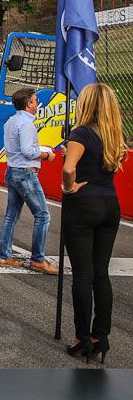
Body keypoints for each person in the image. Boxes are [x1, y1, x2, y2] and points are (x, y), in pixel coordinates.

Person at [61, 83, 125, 363]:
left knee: (83, 275)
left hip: (83, 204)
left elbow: (68, 168)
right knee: (102, 273)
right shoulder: (115, 135)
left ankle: (82, 338)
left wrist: (68, 187)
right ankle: (101, 335)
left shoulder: (81, 132)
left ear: (85, 104)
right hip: (110, 205)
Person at [0, 88, 58, 274]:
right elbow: (28, 151)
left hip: (12, 170)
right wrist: (47, 155)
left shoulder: (10, 121)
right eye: (35, 101)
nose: (37, 103)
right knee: (42, 216)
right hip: (26, 173)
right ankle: (38, 259)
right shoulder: (26, 123)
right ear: (29, 104)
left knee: (11, 216)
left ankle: (5, 256)